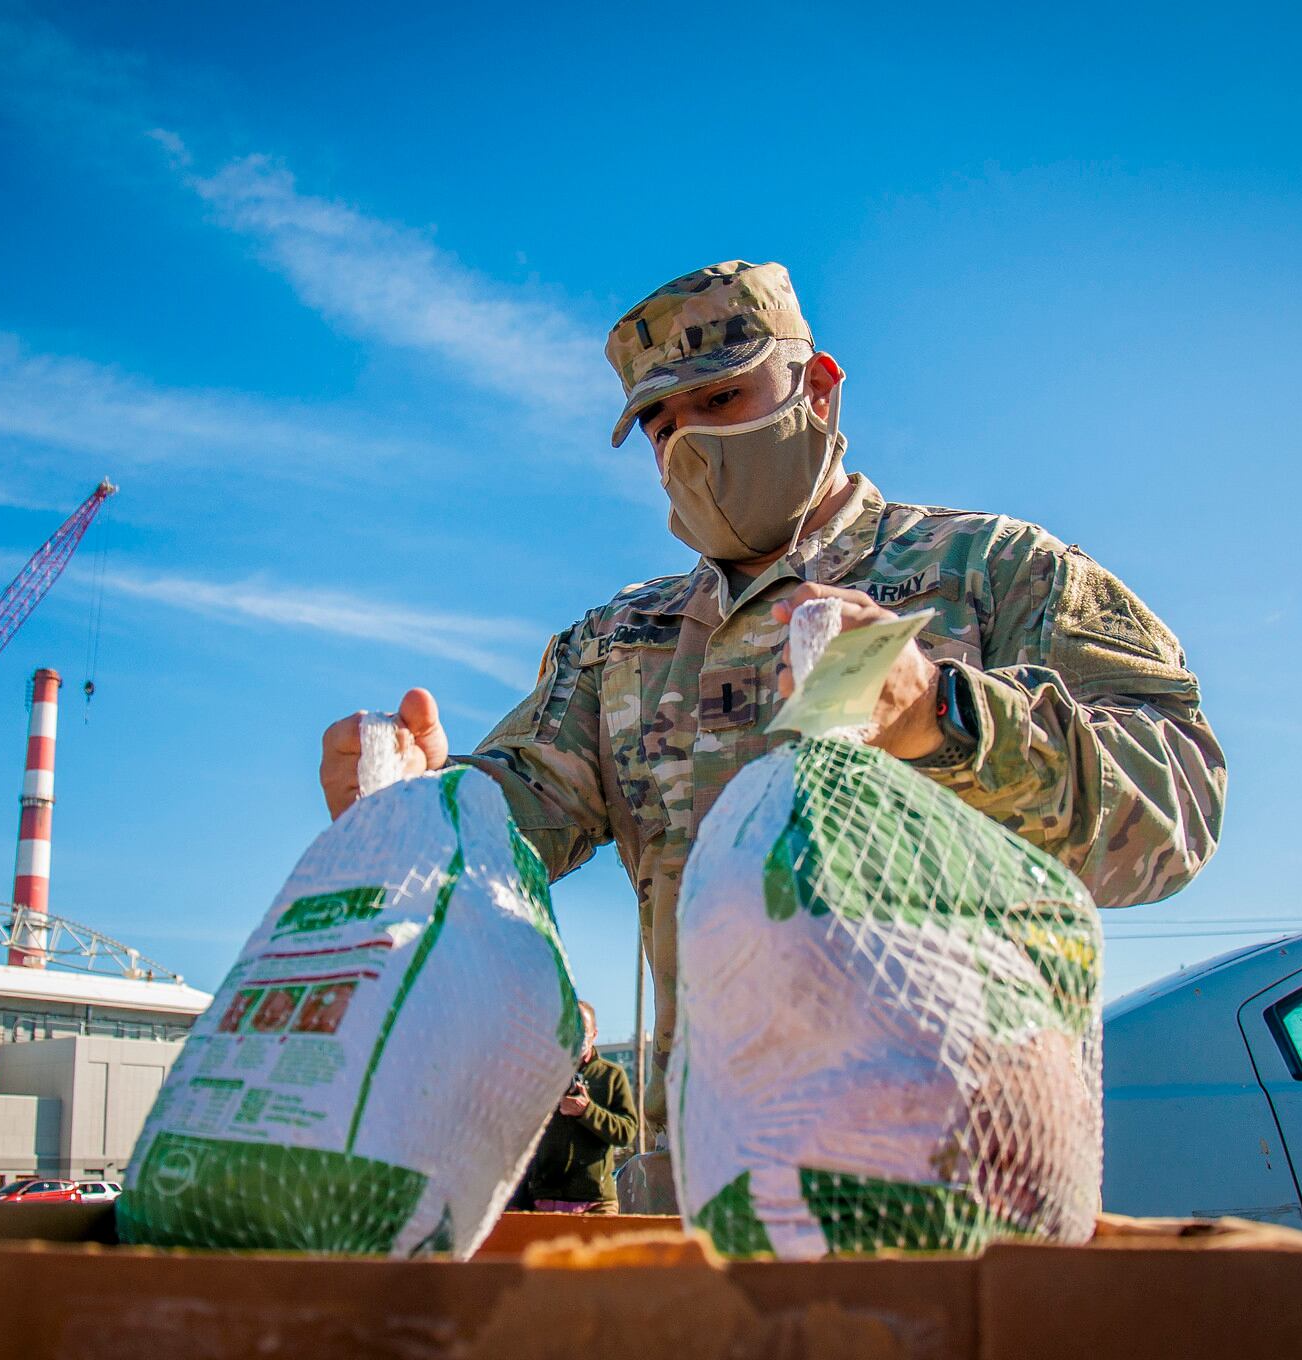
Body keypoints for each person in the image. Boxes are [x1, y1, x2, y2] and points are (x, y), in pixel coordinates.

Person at [320, 260, 1229, 1119]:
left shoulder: (994, 571)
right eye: (663, 424)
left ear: (818, 388)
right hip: (712, 1165)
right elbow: (516, 818)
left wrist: (943, 717)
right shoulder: (618, 644)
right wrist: (418, 809)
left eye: (721, 398)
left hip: (961, 1160)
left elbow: (1175, 810)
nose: (691, 444)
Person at [521, 1001, 636, 1213]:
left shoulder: (611, 1076)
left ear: (594, 1034)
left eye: (583, 1030)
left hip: (597, 1201)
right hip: (545, 1199)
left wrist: (587, 1111)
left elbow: (627, 1132)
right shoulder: (542, 1074)